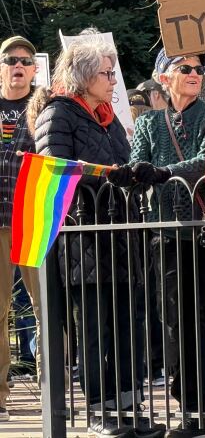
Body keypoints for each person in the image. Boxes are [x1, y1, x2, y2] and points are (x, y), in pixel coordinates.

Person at [29, 34, 162, 438]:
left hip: (120, 237)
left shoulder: (108, 118)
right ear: (84, 74)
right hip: (82, 239)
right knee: (93, 327)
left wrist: (137, 172)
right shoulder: (59, 114)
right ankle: (100, 410)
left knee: (128, 324)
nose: (111, 79)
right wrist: (102, 175)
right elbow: (53, 168)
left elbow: (123, 161)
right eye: (105, 72)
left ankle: (127, 404)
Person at [113, 49, 205, 438]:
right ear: (164, 77)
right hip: (167, 234)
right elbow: (138, 160)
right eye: (184, 68)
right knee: (178, 325)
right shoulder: (149, 123)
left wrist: (160, 172)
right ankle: (192, 411)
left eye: (198, 68)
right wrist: (132, 173)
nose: (194, 73)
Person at [0, 36, 41, 421]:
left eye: (25, 61)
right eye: (11, 59)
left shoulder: (43, 107)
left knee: (46, 309)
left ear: (34, 69)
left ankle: (53, 390)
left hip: (32, 219)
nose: (18, 66)